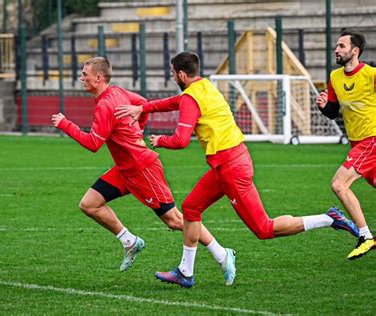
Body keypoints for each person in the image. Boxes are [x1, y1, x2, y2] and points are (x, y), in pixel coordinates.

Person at [115, 51, 359, 288]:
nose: (172, 77)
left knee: (264, 229)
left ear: (180, 74)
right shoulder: (204, 87)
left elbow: (180, 140)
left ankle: (329, 218)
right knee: (190, 208)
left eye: (172, 73)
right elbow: (173, 102)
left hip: (231, 167)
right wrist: (143, 109)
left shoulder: (191, 96)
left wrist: (161, 141)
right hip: (227, 163)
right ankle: (185, 273)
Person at [51, 57, 236, 285]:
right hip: (125, 169)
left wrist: (65, 124)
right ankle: (129, 241)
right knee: (89, 204)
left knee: (176, 220)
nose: (81, 78)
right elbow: (142, 105)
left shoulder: (106, 105)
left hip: (143, 169)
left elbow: (93, 144)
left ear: (98, 78)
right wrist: (138, 129)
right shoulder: (117, 92)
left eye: (84, 74)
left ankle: (222, 254)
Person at [316, 30, 375, 260]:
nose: (336, 50)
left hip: (372, 140)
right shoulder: (335, 77)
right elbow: (333, 112)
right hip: (357, 144)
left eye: (341, 46)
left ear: (355, 51)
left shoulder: (371, 74)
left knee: (339, 184)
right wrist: (324, 106)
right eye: (336, 46)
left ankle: (366, 236)